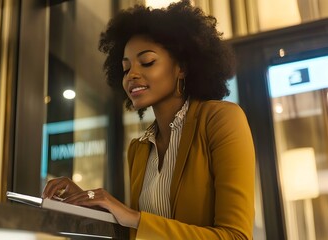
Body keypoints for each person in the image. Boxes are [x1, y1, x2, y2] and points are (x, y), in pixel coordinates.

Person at [42, 1, 255, 239]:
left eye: (147, 62)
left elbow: (236, 236)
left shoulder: (220, 119)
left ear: (182, 67)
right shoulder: (140, 148)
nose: (131, 75)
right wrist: (88, 202)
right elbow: (140, 233)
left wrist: (132, 216)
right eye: (125, 68)